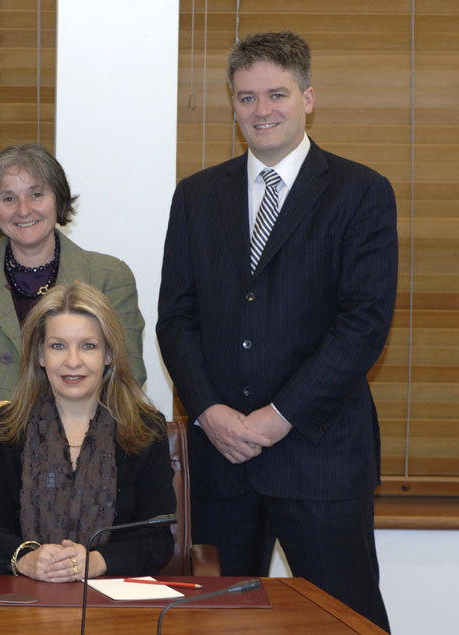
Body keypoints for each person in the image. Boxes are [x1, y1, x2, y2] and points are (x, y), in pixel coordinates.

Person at [157, 31, 394, 630]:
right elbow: (176, 317)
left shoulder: (361, 192)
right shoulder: (195, 196)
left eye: (277, 95)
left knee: (346, 621)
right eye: (246, 98)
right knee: (212, 624)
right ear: (231, 104)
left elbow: (362, 324)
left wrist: (276, 417)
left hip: (320, 456)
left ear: (308, 98)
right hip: (221, 458)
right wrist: (209, 410)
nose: (261, 111)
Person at [0, 143, 147, 524]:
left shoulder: (109, 276)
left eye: (36, 194)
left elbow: (129, 371)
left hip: (90, 460)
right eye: (8, 198)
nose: (23, 210)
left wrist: (61, 422)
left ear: (58, 200)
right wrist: (5, 415)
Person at [0, 282, 174, 579]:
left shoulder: (145, 429)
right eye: (58, 346)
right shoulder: (9, 426)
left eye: (88, 346)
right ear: (40, 355)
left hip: (113, 600)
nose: (73, 361)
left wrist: (97, 561)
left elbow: (157, 540)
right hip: (25, 600)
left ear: (108, 354)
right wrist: (26, 559)